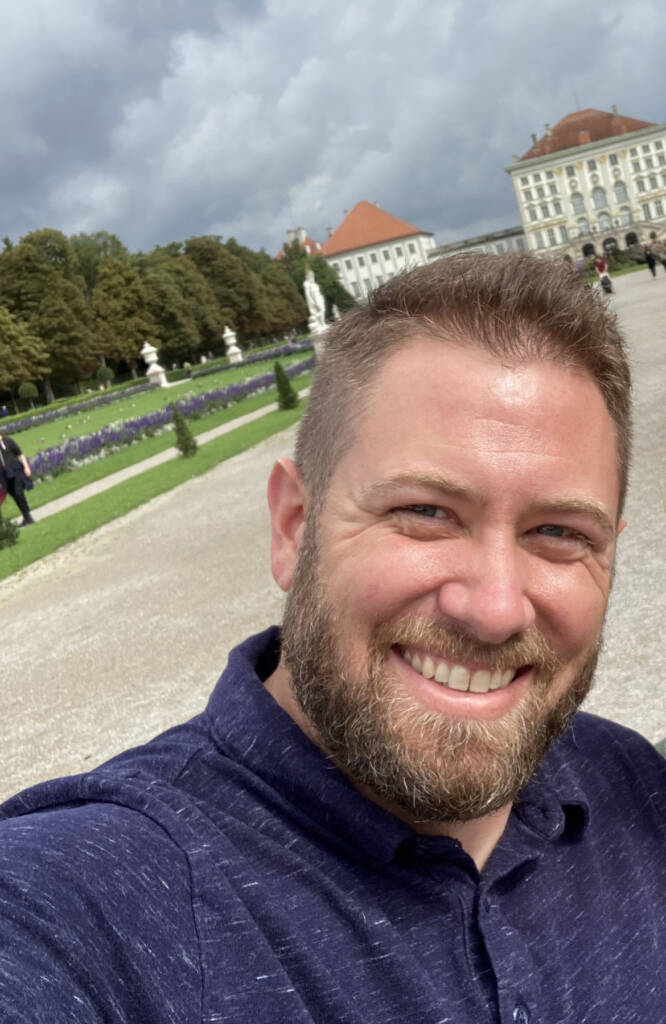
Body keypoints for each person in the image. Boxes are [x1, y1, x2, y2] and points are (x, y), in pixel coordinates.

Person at [0, 255, 664, 1023]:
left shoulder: (635, 785)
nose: (493, 609)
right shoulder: (91, 906)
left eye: (558, 532)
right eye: (424, 511)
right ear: (293, 527)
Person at [0, 432, 34, 525]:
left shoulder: (8, 441)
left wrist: (26, 467)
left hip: (15, 471)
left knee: (19, 493)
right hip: (4, 474)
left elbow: (20, 454)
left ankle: (28, 517)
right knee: (14, 495)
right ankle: (26, 517)